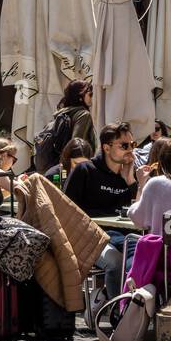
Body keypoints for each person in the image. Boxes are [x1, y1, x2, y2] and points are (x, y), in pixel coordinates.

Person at [65, 121, 140, 302]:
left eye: (133, 145)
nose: (130, 150)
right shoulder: (85, 171)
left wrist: (131, 180)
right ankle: (118, 313)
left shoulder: (130, 176)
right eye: (124, 145)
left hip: (123, 235)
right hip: (92, 236)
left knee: (144, 255)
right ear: (106, 148)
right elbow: (67, 209)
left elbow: (138, 211)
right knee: (115, 263)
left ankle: (130, 308)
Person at [129, 138, 171, 236]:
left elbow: (137, 219)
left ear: (163, 161)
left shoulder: (156, 184)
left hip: (164, 250)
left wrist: (141, 184)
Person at [35, 79, 95, 171]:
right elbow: (77, 144)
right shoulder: (83, 114)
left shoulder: (61, 113)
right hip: (74, 167)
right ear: (80, 96)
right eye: (90, 94)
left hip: (57, 167)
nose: (92, 98)